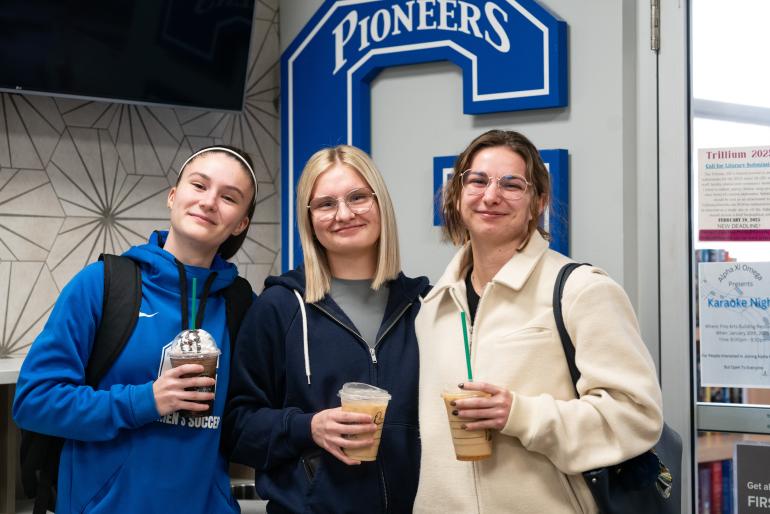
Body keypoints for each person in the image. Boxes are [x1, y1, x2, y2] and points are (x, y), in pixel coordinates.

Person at [413, 130, 664, 513]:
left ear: (538, 202)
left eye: (512, 184)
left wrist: (521, 414)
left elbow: (636, 415)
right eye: (477, 181)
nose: (491, 196)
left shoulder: (581, 290)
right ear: (457, 195)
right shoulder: (433, 306)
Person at [13, 145, 258, 514]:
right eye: (198, 185)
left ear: (240, 222)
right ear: (173, 196)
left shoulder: (241, 304)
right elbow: (35, 402)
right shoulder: (101, 285)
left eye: (229, 197)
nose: (209, 202)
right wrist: (146, 401)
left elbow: (247, 416)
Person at [223, 144, 429, 514]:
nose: (344, 214)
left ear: (380, 204)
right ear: (310, 219)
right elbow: (235, 427)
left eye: (358, 197)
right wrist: (308, 427)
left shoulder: (424, 306)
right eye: (326, 204)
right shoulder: (280, 306)